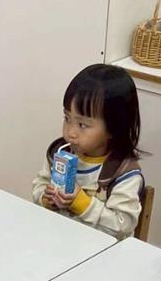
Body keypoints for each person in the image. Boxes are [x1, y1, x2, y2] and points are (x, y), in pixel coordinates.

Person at [31, 63, 144, 239]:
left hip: (103, 250)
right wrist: (45, 199)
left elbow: (122, 226)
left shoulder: (123, 172)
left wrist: (82, 203)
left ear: (114, 129)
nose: (71, 132)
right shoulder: (58, 153)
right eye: (67, 118)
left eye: (82, 125)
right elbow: (39, 185)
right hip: (58, 239)